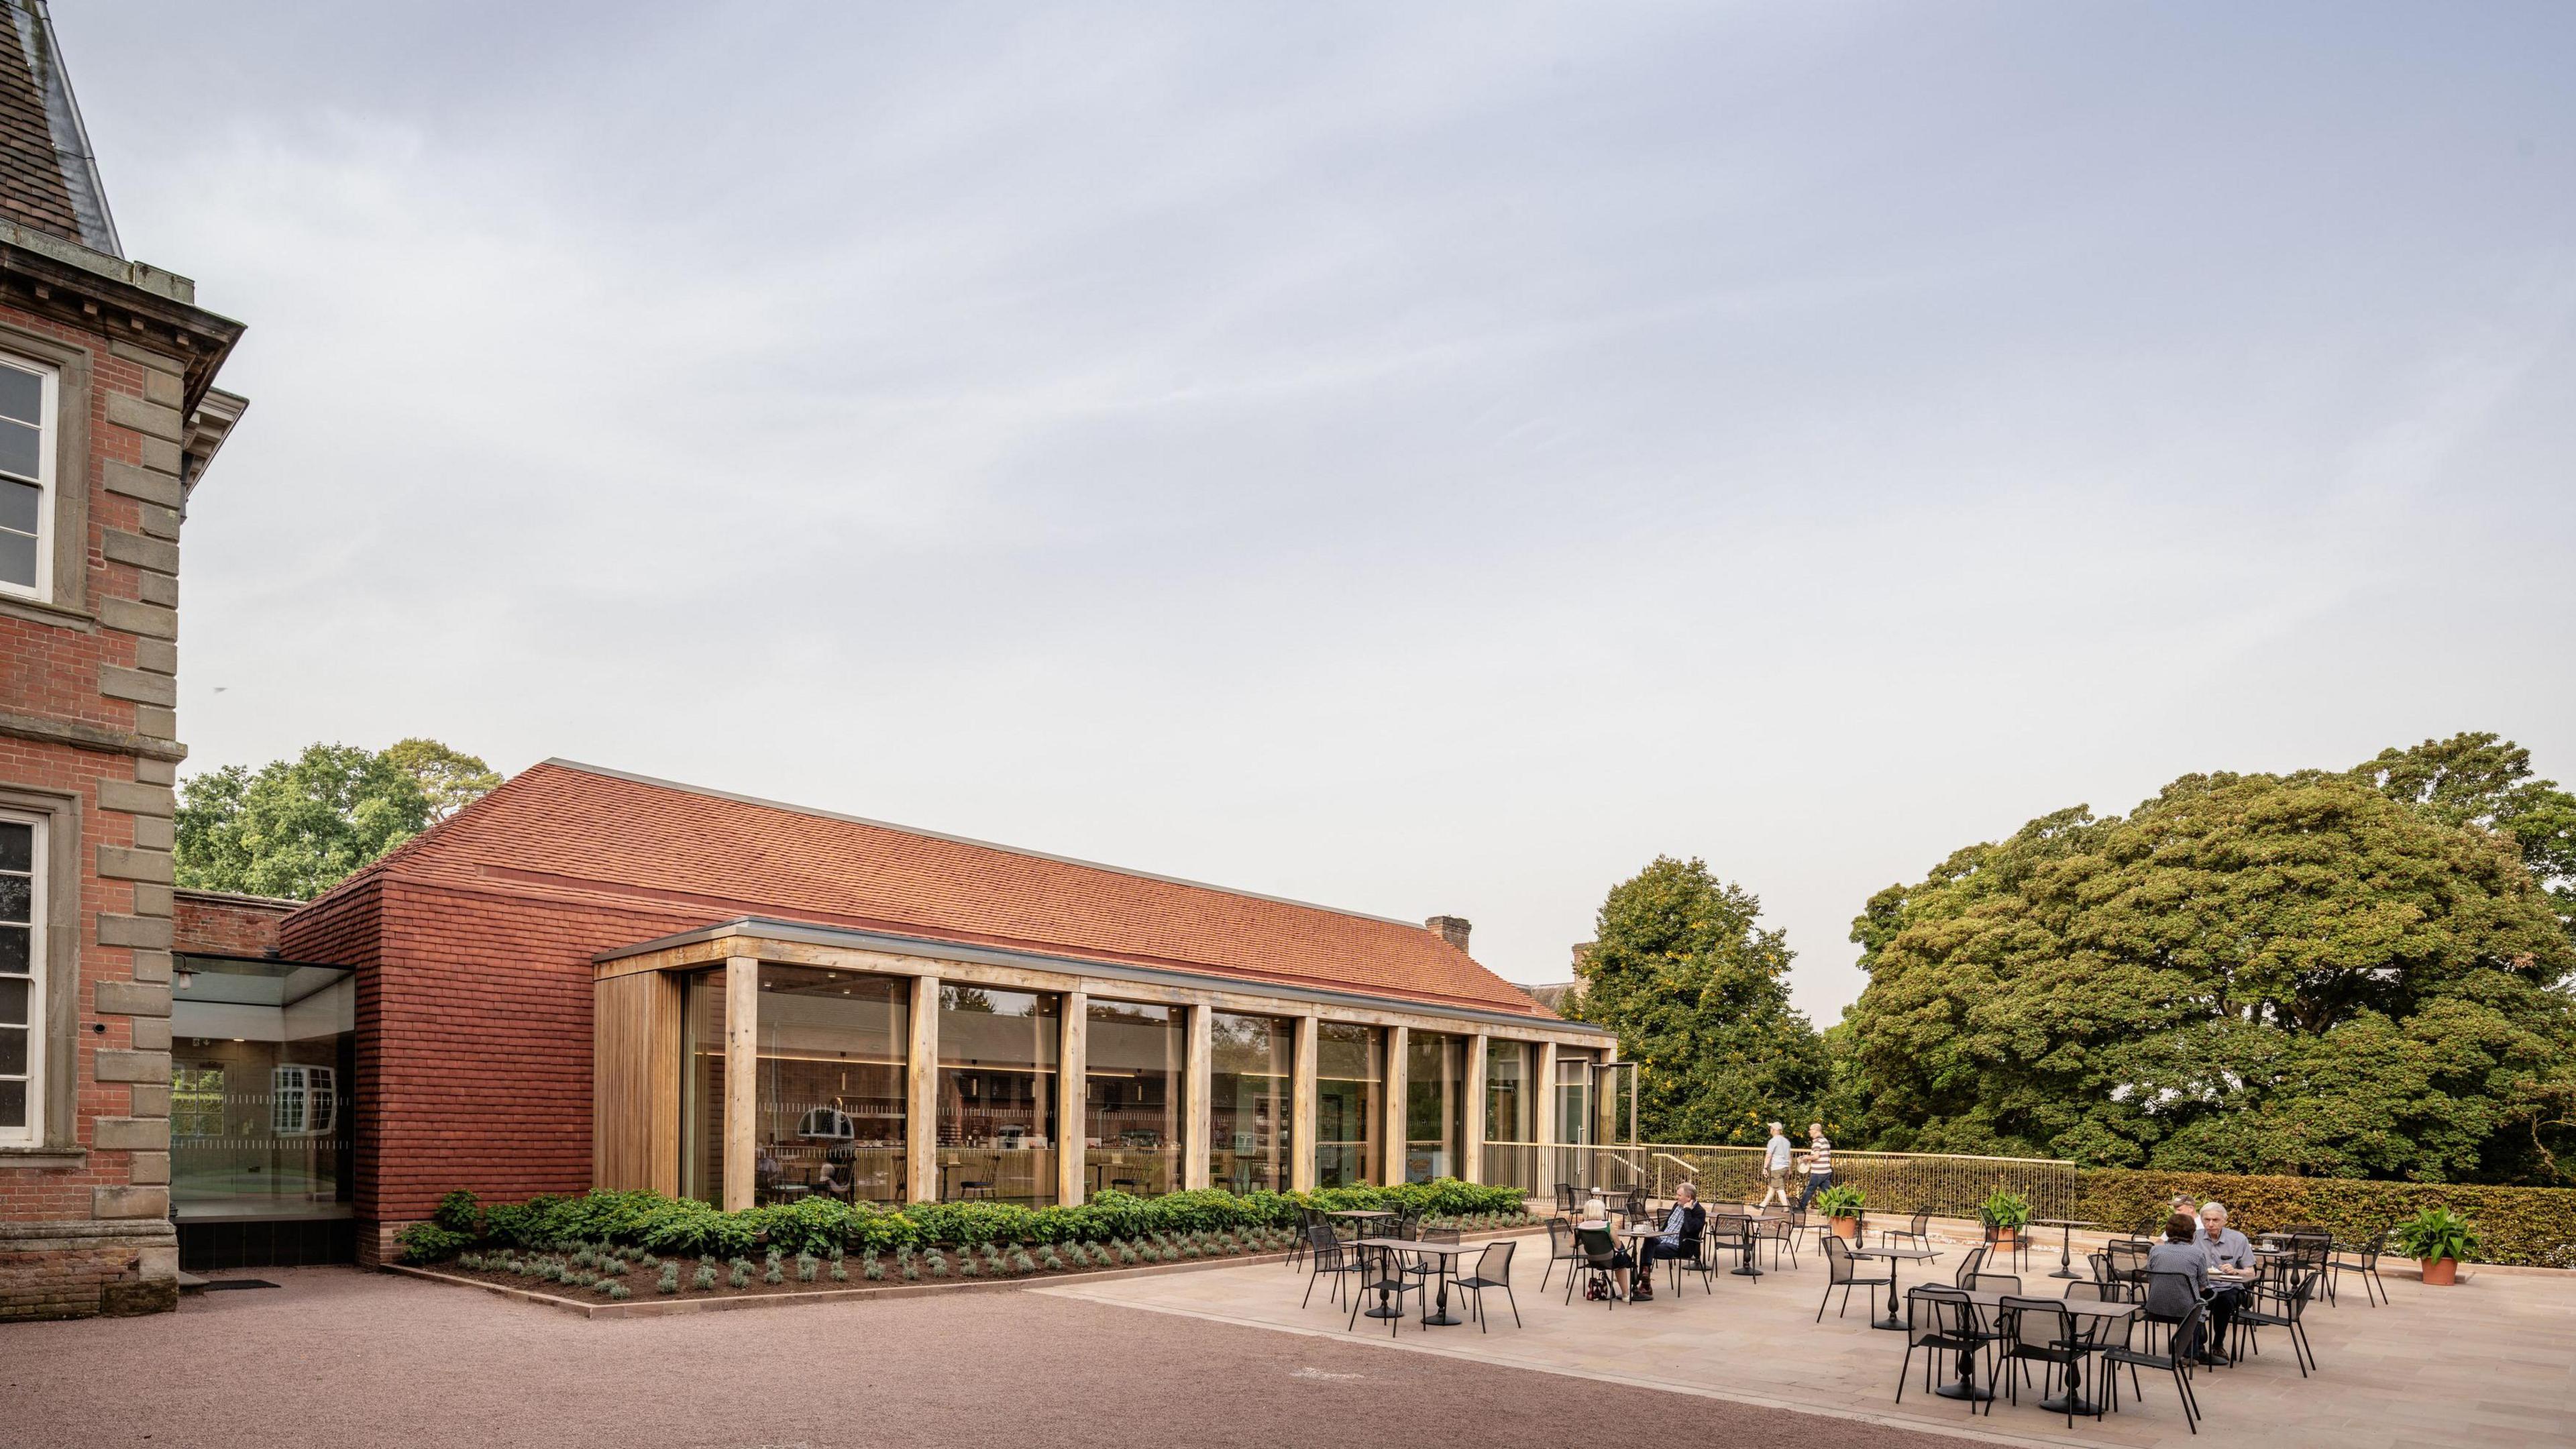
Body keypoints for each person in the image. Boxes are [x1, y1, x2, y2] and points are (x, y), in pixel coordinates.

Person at [2144, 1212, 2217, 1360]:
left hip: (2155, 1307)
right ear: (2192, 1233)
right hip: (2185, 1312)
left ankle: (2187, 1350)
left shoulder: (2155, 1250)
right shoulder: (2197, 1254)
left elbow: (2150, 1278)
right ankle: (2190, 1354)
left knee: (2191, 1300)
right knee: (2201, 1304)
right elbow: (2203, 1287)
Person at [2192, 1201, 2257, 1366]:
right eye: (2207, 1220)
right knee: (2193, 1299)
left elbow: (2251, 1272)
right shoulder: (2195, 1237)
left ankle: (2218, 1343)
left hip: (2229, 1287)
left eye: (2215, 1220)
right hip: (2203, 1286)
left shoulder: (2238, 1239)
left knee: (2224, 1301)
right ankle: (2199, 1343)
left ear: (2225, 1221)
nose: (2211, 1224)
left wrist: (2236, 1271)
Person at [1628, 1183, 1705, 1300]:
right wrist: (1657, 1233)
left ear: (1689, 1197)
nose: (1676, 1197)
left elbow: (1690, 1228)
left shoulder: (1699, 1212)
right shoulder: (1676, 1205)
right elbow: (1668, 1224)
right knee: (1649, 1239)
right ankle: (1645, 1276)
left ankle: (1645, 1280)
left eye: (1679, 1195)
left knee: (1646, 1250)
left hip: (1679, 1246)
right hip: (1663, 1238)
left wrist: (1687, 1210)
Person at [1575, 1193, 1638, 1300]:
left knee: (1619, 1256)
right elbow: (1618, 1245)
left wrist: (1587, 1239)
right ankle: (1626, 1295)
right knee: (1621, 1254)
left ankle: (1619, 1271)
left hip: (1592, 1261)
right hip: (1610, 1260)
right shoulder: (1608, 1226)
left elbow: (1572, 1244)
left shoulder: (1580, 1227)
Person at [1795, 1123, 1834, 1211]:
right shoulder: (1825, 1141)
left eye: (1810, 1130)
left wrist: (1806, 1158)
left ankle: (1801, 1208)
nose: (1809, 1132)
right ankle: (1828, 1209)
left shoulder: (1817, 1142)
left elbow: (1816, 1156)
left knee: (1810, 1190)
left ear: (1816, 1130)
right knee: (1827, 1192)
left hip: (1818, 1172)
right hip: (1827, 1170)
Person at [1760, 1123, 1793, 1209]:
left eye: (1771, 1128)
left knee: (1779, 1188)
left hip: (1777, 1168)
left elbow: (1769, 1155)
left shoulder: (1773, 1141)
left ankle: (1787, 1208)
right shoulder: (1786, 1141)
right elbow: (1789, 1157)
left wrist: (1765, 1167)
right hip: (1785, 1167)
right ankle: (1763, 1205)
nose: (1770, 1130)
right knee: (1772, 1187)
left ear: (1774, 1130)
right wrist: (1789, 1169)